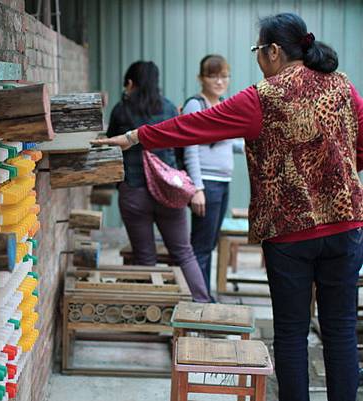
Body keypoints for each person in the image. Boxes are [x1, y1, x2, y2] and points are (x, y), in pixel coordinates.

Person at [94, 13, 363, 401]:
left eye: (258, 50)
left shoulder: (261, 97)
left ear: (273, 51)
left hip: (288, 233)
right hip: (345, 225)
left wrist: (136, 136)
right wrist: (340, 175)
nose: (258, 59)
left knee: (291, 332)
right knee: (340, 329)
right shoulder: (342, 87)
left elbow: (194, 125)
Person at [106, 61, 210, 303]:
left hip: (133, 192)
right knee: (184, 254)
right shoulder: (169, 108)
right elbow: (183, 148)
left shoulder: (121, 110)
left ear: (130, 84)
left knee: (144, 257)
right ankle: (202, 307)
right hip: (169, 191)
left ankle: (152, 314)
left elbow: (111, 147)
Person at [181, 54, 244, 296]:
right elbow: (190, 148)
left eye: (224, 76)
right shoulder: (196, 105)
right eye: (213, 76)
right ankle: (200, 300)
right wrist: (197, 188)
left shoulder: (224, 105)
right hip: (206, 184)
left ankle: (203, 296)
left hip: (222, 183)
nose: (220, 81)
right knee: (202, 245)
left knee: (209, 244)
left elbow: (230, 143)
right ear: (201, 78)